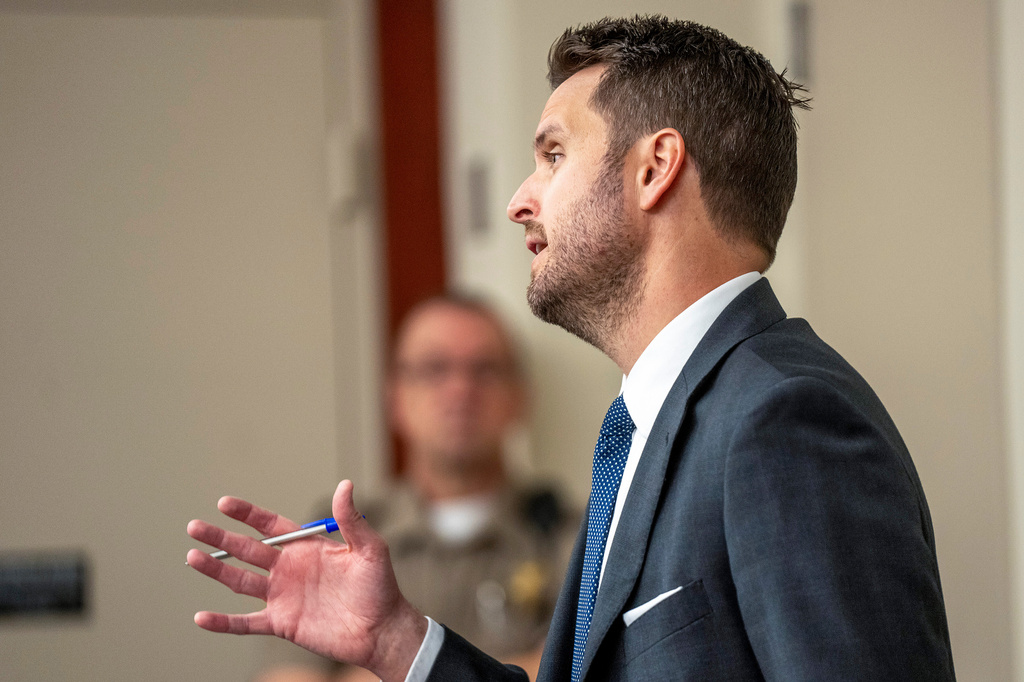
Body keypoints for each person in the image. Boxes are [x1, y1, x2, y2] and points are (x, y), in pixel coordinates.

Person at [186, 16, 956, 681]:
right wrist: (398, 641)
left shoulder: (786, 418)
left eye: (553, 154)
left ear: (654, 169)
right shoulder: (641, 429)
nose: (522, 197)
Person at [254, 296, 577, 682]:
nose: (460, 390)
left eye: (485, 370)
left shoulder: (575, 536)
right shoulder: (335, 534)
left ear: (521, 396)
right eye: (434, 369)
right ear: (394, 399)